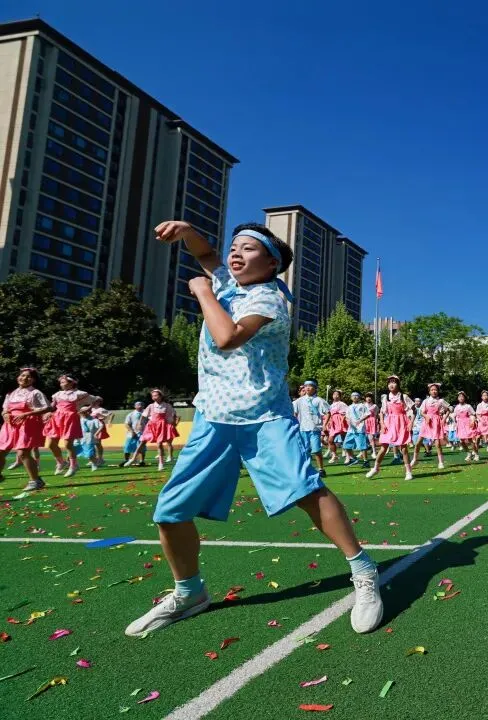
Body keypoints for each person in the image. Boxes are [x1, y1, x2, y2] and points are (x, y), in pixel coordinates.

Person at [125, 220, 382, 638]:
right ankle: (189, 592)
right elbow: (206, 254)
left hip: (264, 417)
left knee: (308, 492)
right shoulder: (228, 281)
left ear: (272, 263)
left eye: (248, 248)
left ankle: (365, 572)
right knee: (170, 513)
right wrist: (188, 231)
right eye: (234, 247)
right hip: (214, 416)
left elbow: (227, 337)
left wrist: (203, 292)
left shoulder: (269, 298)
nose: (235, 253)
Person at [0, 368, 51, 491]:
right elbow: (5, 409)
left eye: (29, 377)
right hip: (10, 426)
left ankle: (35, 481)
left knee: (23, 453)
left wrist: (26, 414)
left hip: (27, 425)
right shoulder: (11, 393)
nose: (24, 378)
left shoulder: (35, 393)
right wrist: (5, 414)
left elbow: (47, 408)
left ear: (33, 380)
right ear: (18, 377)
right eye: (22, 375)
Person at [43, 374, 99, 478]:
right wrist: (48, 412)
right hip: (57, 418)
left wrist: (88, 408)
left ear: (71, 383)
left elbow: (96, 399)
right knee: (50, 444)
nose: (61, 383)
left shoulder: (79, 394)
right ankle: (61, 462)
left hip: (70, 419)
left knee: (68, 445)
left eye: (63, 382)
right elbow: (52, 406)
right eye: (60, 382)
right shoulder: (58, 394)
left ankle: (73, 465)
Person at [367, 375, 414, 480]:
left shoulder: (404, 397)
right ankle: (376, 468)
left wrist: (411, 423)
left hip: (401, 423)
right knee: (383, 447)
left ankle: (408, 471)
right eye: (389, 383)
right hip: (389, 423)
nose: (391, 385)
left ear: (398, 384)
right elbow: (382, 412)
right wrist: (382, 424)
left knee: (403, 448)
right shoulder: (386, 398)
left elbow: (414, 410)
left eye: (394, 382)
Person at [124, 390, 177, 471]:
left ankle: (161, 464)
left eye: (156, 395)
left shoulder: (166, 406)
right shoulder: (151, 406)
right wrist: (140, 423)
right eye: (153, 396)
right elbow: (143, 415)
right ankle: (133, 458)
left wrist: (172, 424)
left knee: (159, 444)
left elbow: (171, 415)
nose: (154, 397)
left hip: (161, 426)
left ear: (160, 396)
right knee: (142, 442)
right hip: (151, 426)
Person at [292, 380, 330, 478]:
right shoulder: (298, 401)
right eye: (306, 386)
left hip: (315, 428)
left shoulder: (319, 400)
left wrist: (325, 425)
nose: (307, 388)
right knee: (305, 451)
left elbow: (327, 413)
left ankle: (321, 469)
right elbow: (294, 414)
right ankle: (308, 469)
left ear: (315, 388)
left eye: (310, 386)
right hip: (302, 429)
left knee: (316, 450)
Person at [411, 383, 448, 469]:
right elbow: (421, 412)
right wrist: (426, 416)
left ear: (438, 391)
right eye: (432, 390)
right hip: (426, 423)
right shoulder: (425, 401)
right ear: (429, 391)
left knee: (437, 443)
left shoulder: (441, 401)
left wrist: (444, 418)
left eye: (435, 390)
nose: (434, 391)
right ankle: (415, 459)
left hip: (436, 423)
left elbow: (450, 409)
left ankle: (441, 462)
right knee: (418, 442)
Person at [342, 392, 370, 467]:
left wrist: (360, 420)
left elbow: (368, 414)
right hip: (351, 429)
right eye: (353, 396)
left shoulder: (362, 406)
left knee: (362, 446)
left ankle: (366, 461)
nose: (354, 397)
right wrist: (348, 421)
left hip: (360, 428)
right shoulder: (349, 407)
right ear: (351, 398)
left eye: (356, 396)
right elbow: (347, 416)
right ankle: (353, 459)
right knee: (346, 445)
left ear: (359, 397)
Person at [453, 391, 479, 461]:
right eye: (459, 397)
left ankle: (476, 454)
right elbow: (454, 415)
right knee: (461, 441)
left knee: (470, 440)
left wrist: (473, 421)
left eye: (462, 397)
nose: (461, 398)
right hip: (460, 425)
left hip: (467, 424)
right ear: (458, 398)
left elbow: (473, 414)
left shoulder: (468, 406)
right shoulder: (456, 407)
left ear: (465, 398)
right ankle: (468, 453)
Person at [75, 407, 102, 472]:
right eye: (83, 412)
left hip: (88, 439)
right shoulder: (78, 419)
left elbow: (101, 426)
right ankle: (74, 465)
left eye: (86, 412)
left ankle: (94, 463)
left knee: (89, 454)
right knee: (72, 451)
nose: (84, 413)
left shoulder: (94, 420)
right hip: (78, 438)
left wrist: (96, 433)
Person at [120, 401, 147, 467]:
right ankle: (126, 460)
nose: (140, 406)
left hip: (142, 433)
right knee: (127, 446)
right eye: (138, 405)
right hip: (131, 434)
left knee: (142, 447)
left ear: (143, 406)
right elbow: (127, 424)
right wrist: (132, 431)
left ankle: (142, 461)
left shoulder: (146, 414)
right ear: (135, 406)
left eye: (141, 405)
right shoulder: (131, 414)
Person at [326, 390, 348, 464]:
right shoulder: (331, 405)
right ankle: (334, 455)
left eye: (337, 394)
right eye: (334, 394)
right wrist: (328, 422)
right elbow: (329, 414)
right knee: (330, 440)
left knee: (345, 440)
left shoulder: (342, 404)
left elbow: (346, 413)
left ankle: (348, 456)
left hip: (341, 422)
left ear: (340, 396)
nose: (335, 396)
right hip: (334, 423)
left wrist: (343, 420)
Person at [90, 397, 113, 466]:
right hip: (92, 426)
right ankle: (94, 459)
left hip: (99, 426)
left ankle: (100, 459)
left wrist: (109, 421)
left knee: (98, 443)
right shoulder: (91, 409)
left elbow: (111, 414)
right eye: (93, 401)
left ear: (99, 402)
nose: (93, 402)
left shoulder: (101, 409)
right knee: (92, 443)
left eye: (95, 401)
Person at [476, 390, 488, 457]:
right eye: (483, 395)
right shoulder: (479, 405)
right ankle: (476, 451)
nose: (485, 396)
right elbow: (477, 414)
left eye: (486, 395)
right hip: (481, 421)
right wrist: (481, 420)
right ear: (481, 397)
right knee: (478, 436)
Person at [364, 393, 380, 459]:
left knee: (371, 437)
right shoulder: (363, 405)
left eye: (370, 397)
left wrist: (377, 423)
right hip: (364, 422)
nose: (368, 398)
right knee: (364, 437)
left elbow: (376, 415)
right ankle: (363, 452)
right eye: (367, 397)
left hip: (372, 422)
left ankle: (374, 451)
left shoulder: (375, 406)